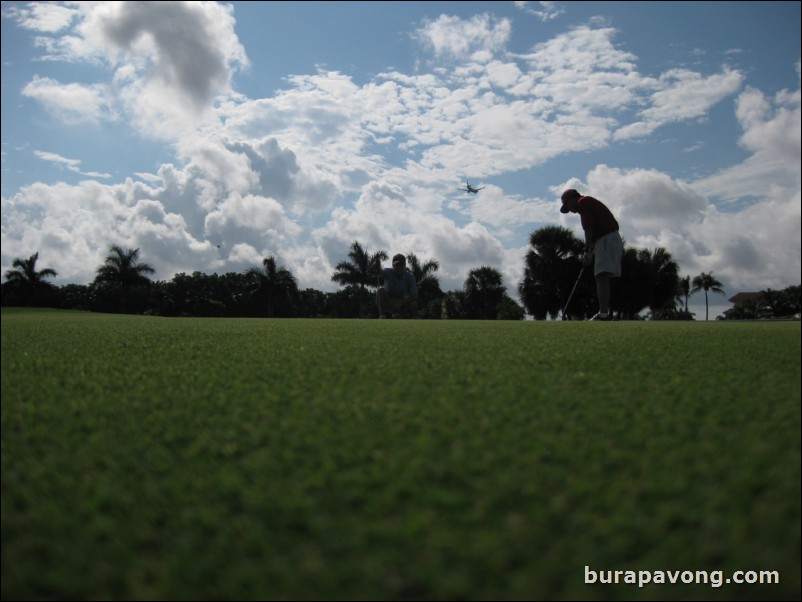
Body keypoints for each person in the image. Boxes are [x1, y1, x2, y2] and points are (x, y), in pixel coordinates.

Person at [560, 189, 623, 320]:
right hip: (607, 239)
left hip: (606, 239)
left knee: (601, 276)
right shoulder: (587, 203)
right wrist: (591, 251)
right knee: (602, 277)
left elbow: (589, 228)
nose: (570, 210)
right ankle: (604, 312)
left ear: (572, 199)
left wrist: (587, 251)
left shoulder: (583, 202)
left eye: (567, 205)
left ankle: (604, 314)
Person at [377, 253, 418, 318]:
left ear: (405, 265)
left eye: (401, 265)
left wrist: (401, 302)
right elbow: (380, 272)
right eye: (396, 265)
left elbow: (414, 295)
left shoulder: (410, 277)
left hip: (402, 302)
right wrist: (376, 267)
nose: (399, 267)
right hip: (388, 300)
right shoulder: (388, 271)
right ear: (392, 265)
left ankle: (409, 319)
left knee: (414, 304)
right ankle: (382, 315)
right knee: (380, 290)